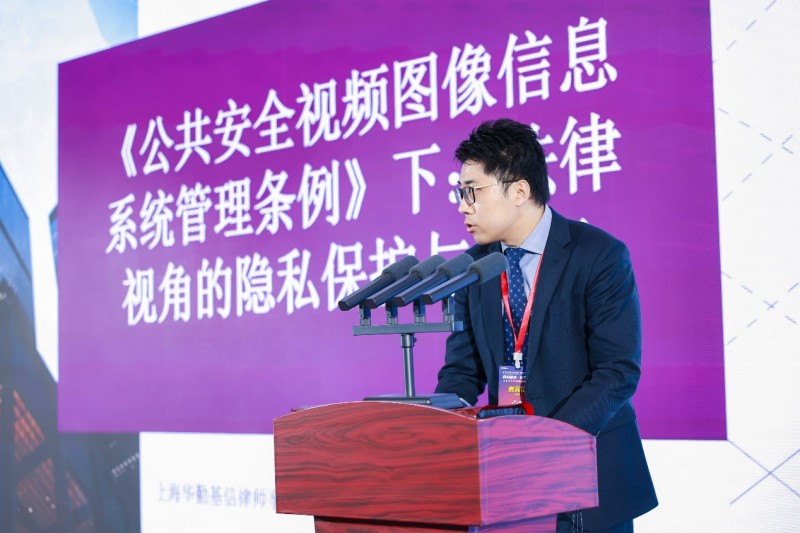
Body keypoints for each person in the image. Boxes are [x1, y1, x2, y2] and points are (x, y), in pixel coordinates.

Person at [434, 118, 657, 532]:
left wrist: (543, 441)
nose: (463, 206)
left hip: (590, 478)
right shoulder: (473, 269)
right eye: (459, 193)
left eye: (472, 191)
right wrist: (434, 431)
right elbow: (462, 372)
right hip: (506, 483)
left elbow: (616, 372)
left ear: (519, 191)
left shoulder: (599, 255)